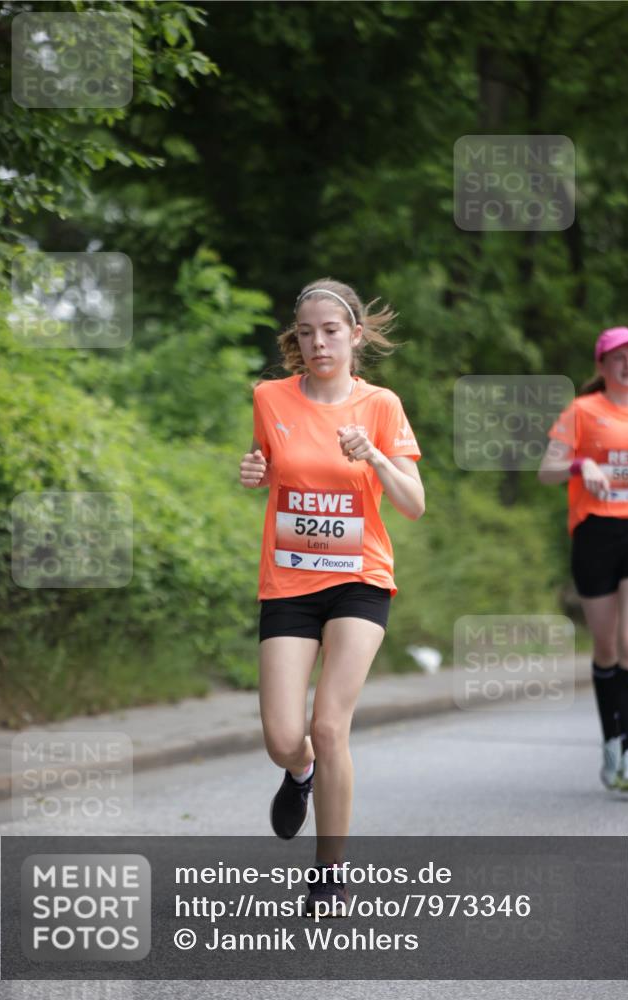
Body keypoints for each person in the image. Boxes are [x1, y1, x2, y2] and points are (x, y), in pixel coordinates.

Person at [239, 278, 424, 914]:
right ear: (296, 338)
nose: (319, 342)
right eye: (307, 332)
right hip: (288, 582)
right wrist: (253, 472)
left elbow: (414, 504)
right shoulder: (269, 398)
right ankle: (299, 772)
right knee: (285, 737)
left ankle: (330, 871)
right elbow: (269, 469)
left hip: (359, 579)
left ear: (356, 336)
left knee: (329, 724)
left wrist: (373, 454)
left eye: (332, 331)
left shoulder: (381, 405)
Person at [538, 326, 628, 793]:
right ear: (602, 367)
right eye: (618, 358)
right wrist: (584, 466)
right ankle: (610, 743)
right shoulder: (582, 412)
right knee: (605, 648)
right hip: (595, 533)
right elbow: (547, 471)